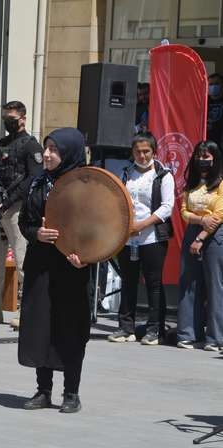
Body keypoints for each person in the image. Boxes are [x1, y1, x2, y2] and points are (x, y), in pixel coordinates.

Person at [18, 127, 90, 414]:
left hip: (72, 268)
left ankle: (71, 392)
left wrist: (86, 256)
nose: (46, 154)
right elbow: (25, 222)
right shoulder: (37, 183)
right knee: (41, 327)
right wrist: (38, 234)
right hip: (41, 266)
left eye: (54, 150)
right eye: (46, 148)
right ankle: (43, 390)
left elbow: (99, 228)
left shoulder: (85, 187)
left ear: (70, 153)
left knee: (70, 328)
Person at [0, 101, 43, 323]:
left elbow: (35, 177)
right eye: (5, 118)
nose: (7, 122)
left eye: (11, 118)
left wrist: (11, 198)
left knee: (23, 261)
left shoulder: (31, 146)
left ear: (23, 118)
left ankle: (27, 310)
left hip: (16, 210)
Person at [108, 133, 174, 345]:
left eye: (146, 151)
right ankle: (126, 327)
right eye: (138, 151)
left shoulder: (163, 175)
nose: (142, 155)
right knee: (128, 281)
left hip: (152, 237)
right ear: (132, 152)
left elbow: (167, 207)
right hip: (128, 238)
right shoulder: (125, 173)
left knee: (153, 283)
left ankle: (155, 329)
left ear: (154, 151)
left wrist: (142, 225)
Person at [176, 140, 223, 351]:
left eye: (207, 156)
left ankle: (215, 338)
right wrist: (199, 221)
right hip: (194, 230)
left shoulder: (221, 183)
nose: (202, 160)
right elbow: (184, 210)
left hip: (215, 235)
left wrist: (202, 236)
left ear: (214, 158)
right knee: (189, 283)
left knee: (215, 285)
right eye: (199, 156)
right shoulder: (192, 183)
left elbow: (219, 214)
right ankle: (187, 333)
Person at [207, 73, 223, 148]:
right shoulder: (204, 102)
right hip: (207, 144)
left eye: (217, 84)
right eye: (211, 84)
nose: (213, 86)